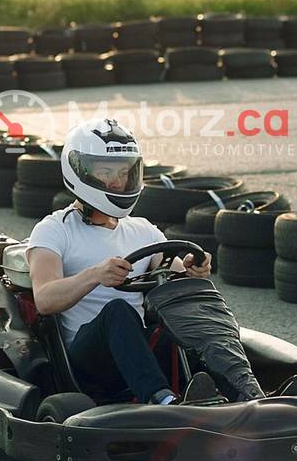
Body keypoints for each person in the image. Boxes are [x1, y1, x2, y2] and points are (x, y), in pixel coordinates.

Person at [25, 118, 222, 405]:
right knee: (117, 310)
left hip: (137, 352)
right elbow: (44, 299)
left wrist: (195, 271)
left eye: (123, 171)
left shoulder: (143, 230)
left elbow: (178, 282)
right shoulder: (54, 230)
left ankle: (237, 388)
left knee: (193, 312)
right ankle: (162, 400)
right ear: (80, 171)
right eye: (106, 172)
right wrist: (95, 275)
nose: (117, 181)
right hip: (88, 363)